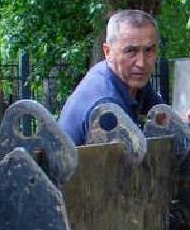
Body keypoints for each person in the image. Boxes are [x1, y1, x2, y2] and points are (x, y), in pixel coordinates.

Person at [58, 9, 164, 146]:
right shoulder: (107, 109)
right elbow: (127, 165)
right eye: (130, 51)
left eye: (149, 50)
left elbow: (164, 119)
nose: (141, 63)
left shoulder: (130, 80)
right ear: (108, 52)